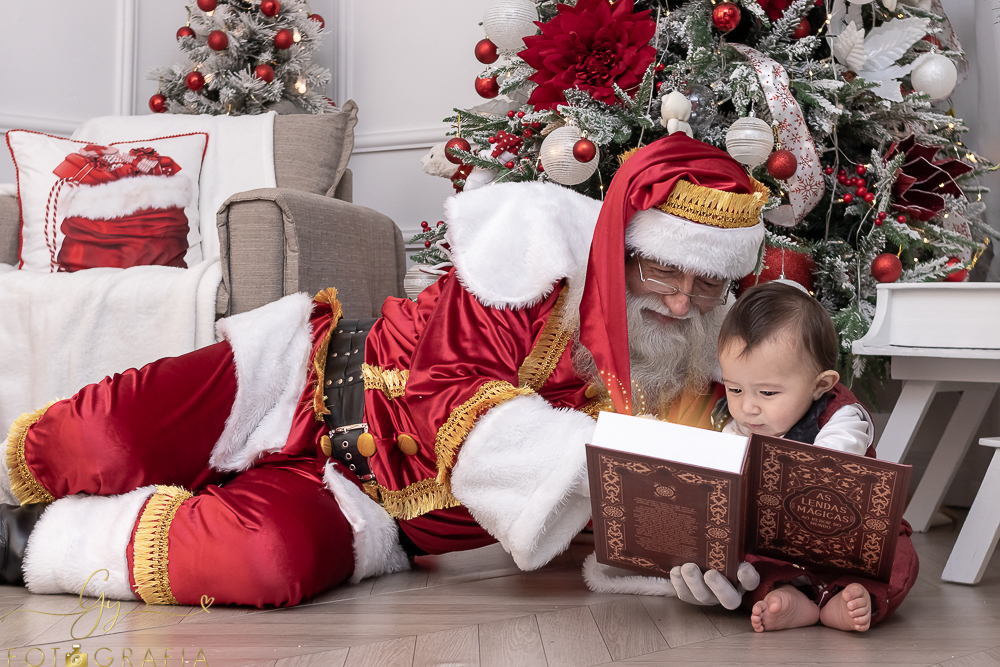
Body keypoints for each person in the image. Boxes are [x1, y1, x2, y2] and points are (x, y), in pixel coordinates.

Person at [1, 133, 769, 608]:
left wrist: (697, 561)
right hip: (295, 379)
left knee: (264, 562)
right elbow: (452, 397)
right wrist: (606, 457)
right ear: (620, 248)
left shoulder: (699, 370)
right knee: (91, 442)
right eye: (664, 272)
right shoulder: (526, 261)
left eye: (707, 285)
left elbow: (652, 516)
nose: (681, 301)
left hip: (373, 512)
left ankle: (26, 543)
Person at [718, 281, 919, 632]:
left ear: (820, 385)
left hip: (849, 542)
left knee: (899, 558)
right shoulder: (738, 428)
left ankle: (851, 598)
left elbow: (831, 464)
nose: (747, 406)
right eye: (734, 388)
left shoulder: (844, 417)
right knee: (744, 568)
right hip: (778, 547)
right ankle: (789, 595)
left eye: (767, 392)